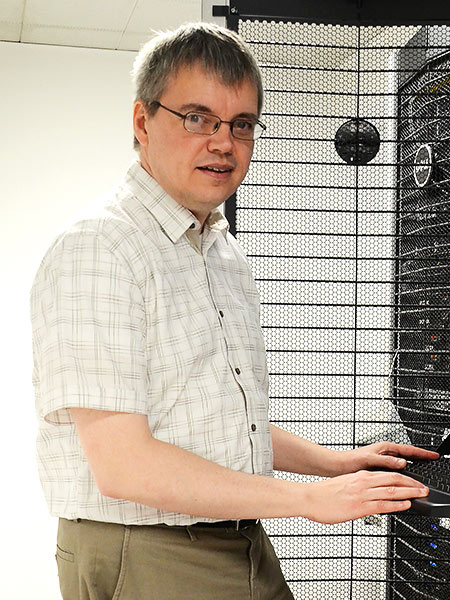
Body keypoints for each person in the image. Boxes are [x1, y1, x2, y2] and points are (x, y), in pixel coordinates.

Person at [30, 22, 438, 600]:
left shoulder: (221, 252)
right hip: (145, 549)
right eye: (198, 118)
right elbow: (125, 465)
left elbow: (221, 422)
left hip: (239, 536)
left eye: (241, 124)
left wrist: (337, 464)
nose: (224, 143)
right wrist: (307, 501)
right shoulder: (100, 249)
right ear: (143, 122)